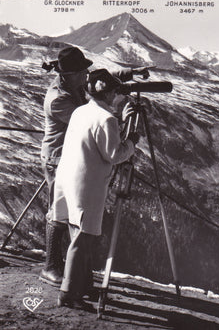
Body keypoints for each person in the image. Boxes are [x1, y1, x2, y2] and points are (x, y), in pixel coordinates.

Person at [40, 46, 149, 286]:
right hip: (59, 157)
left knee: (67, 214)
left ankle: (74, 271)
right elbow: (89, 121)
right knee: (58, 215)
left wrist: (131, 73)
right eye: (82, 72)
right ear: (68, 75)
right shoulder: (58, 99)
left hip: (74, 155)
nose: (86, 75)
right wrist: (120, 118)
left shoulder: (75, 81)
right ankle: (52, 267)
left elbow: (102, 78)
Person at [53, 69, 139, 308]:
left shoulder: (81, 111)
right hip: (86, 185)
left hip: (67, 179)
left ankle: (80, 286)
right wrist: (131, 139)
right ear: (110, 92)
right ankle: (69, 294)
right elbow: (114, 154)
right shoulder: (107, 119)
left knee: (75, 234)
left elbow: (96, 140)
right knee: (82, 240)